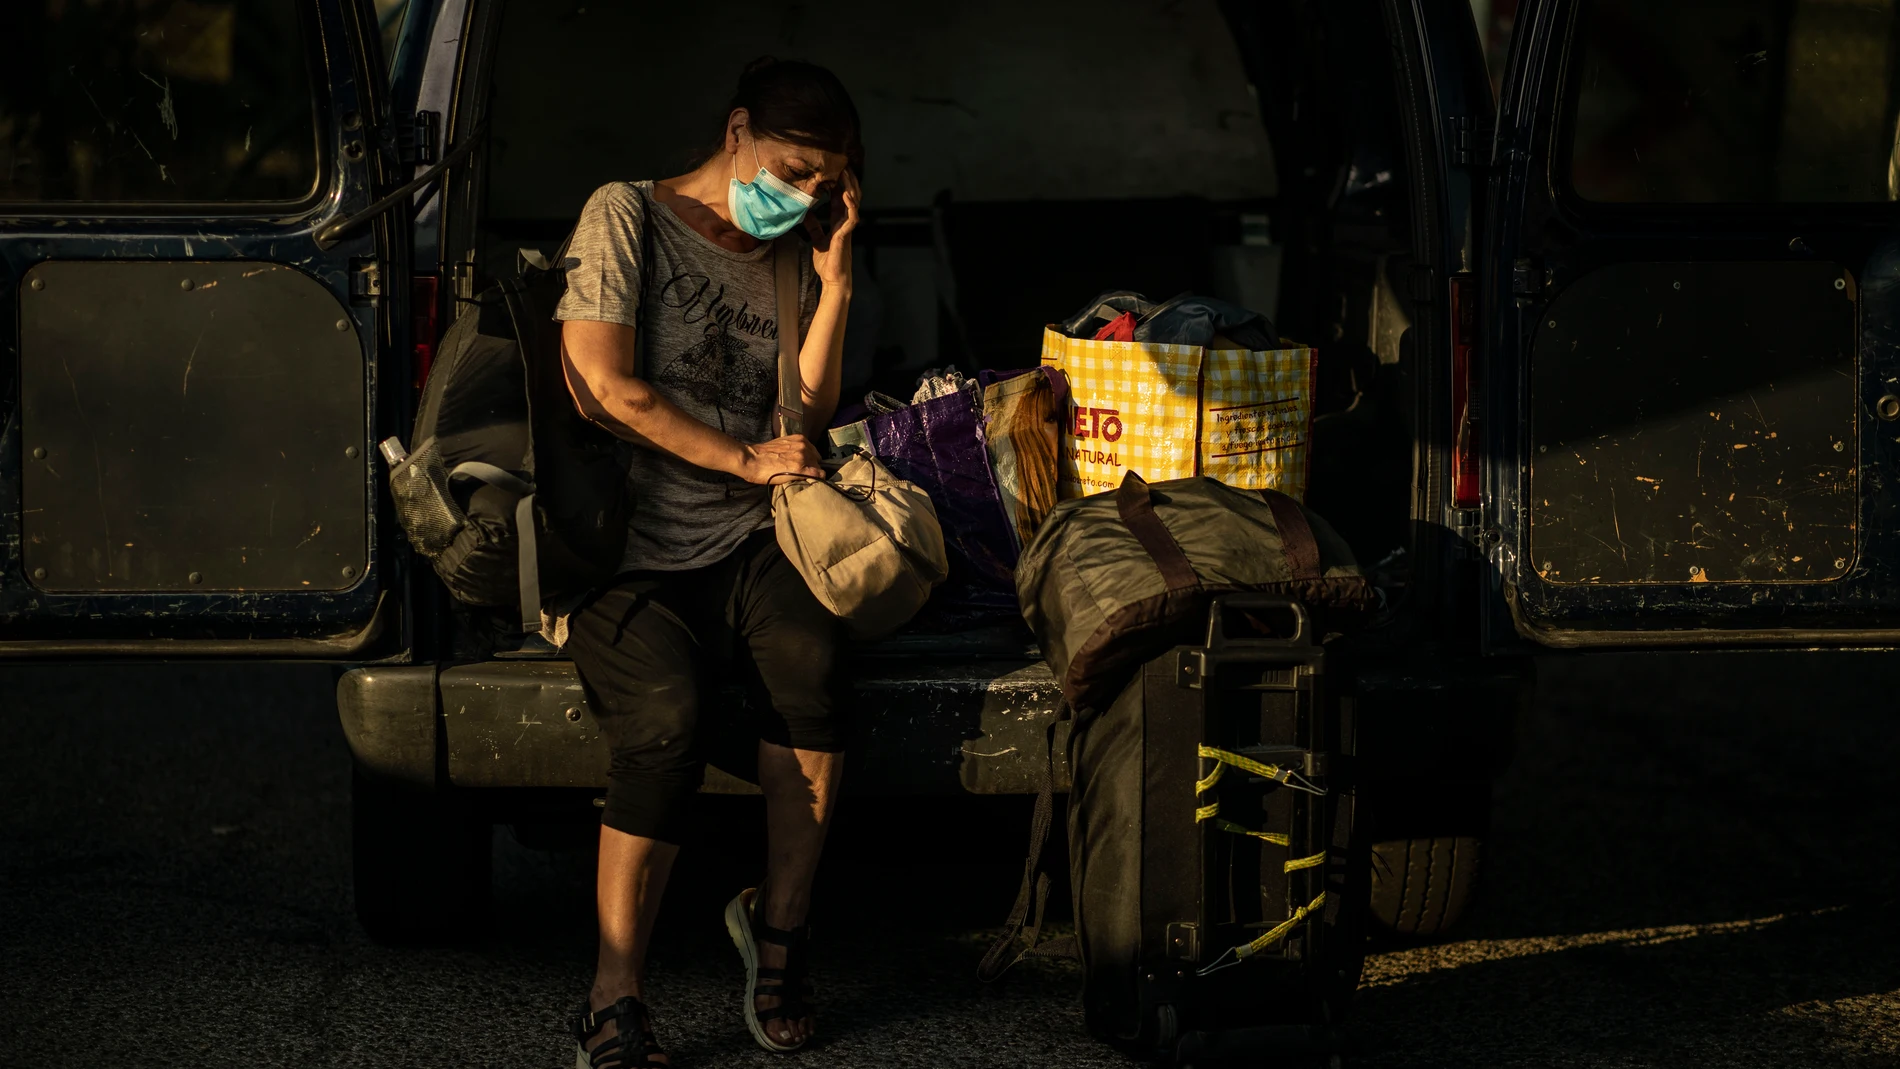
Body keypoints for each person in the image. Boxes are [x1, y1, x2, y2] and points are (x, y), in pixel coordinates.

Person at [553, 57, 863, 1068]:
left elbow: (803, 416)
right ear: (736, 132)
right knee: (664, 724)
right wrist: (739, 456)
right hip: (627, 549)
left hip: (745, 537)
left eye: (825, 180)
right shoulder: (625, 217)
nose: (805, 195)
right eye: (791, 170)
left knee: (814, 673)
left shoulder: (781, 249)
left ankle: (777, 940)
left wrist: (834, 282)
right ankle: (614, 994)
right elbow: (603, 387)